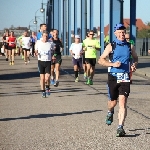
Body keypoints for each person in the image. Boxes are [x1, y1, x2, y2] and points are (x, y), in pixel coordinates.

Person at [98, 23, 138, 137]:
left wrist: (134, 65)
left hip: (125, 77)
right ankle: (110, 112)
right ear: (115, 33)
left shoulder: (130, 46)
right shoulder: (111, 46)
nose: (122, 34)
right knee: (112, 102)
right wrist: (112, 64)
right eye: (119, 32)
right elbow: (101, 60)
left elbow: (135, 58)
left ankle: (120, 127)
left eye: (123, 32)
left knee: (123, 102)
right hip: (113, 76)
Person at [35, 31, 55, 98]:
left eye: (46, 36)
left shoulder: (50, 43)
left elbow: (53, 51)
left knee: (47, 78)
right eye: (44, 36)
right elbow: (36, 50)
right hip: (41, 61)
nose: (45, 37)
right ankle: (43, 91)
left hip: (48, 61)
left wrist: (53, 56)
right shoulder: (38, 42)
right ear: (42, 36)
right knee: (42, 78)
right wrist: (36, 53)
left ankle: (48, 87)